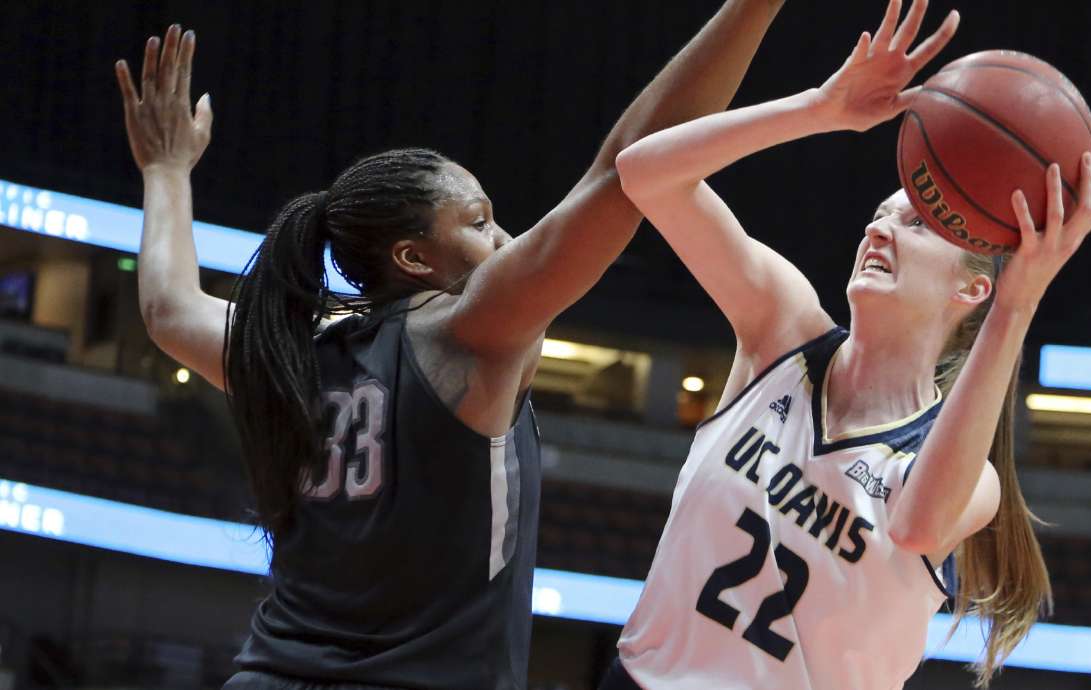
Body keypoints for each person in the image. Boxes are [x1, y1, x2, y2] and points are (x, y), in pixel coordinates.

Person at [112, 3, 787, 688]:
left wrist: (165, 169)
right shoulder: (468, 332)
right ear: (414, 258)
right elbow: (628, 167)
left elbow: (169, 308)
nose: (504, 238)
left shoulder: (286, 352)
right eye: (479, 222)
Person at [605, 1, 1091, 688]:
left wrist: (1018, 304)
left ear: (972, 289)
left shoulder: (964, 477)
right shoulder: (782, 332)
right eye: (879, 214)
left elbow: (918, 528)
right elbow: (642, 173)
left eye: (917, 224)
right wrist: (819, 109)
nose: (879, 228)